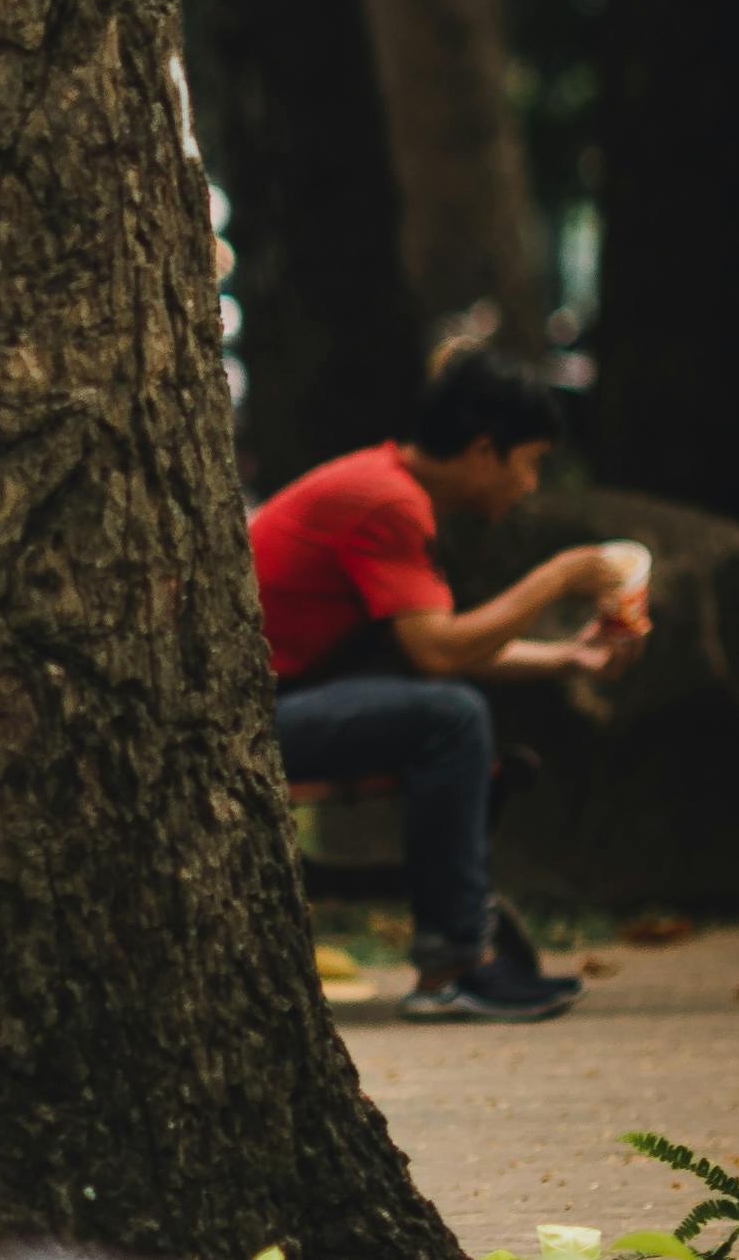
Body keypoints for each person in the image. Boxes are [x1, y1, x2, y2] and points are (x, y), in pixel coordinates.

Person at [248, 352, 644, 1025]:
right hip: (236, 724)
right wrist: (557, 578)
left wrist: (566, 657)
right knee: (450, 715)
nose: (529, 484)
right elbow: (439, 652)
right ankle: (454, 966)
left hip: (259, 704)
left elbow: (431, 642)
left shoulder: (386, 481)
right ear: (483, 451)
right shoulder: (388, 500)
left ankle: (459, 950)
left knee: (442, 707)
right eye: (530, 461)